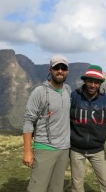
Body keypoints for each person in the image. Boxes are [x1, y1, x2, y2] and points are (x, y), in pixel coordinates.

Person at [22, 55, 71, 192]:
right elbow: (28, 121)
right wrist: (27, 151)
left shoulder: (68, 90)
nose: (60, 71)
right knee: (37, 188)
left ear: (68, 71)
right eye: (56, 68)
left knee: (56, 188)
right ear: (50, 69)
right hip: (45, 147)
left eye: (63, 68)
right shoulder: (40, 92)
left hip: (64, 149)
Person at [70, 65, 106, 192]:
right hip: (76, 149)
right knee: (77, 186)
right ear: (85, 81)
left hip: (98, 150)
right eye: (90, 81)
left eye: (96, 82)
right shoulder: (74, 97)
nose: (92, 85)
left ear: (100, 84)